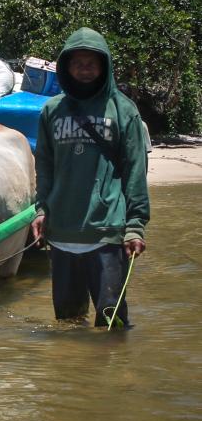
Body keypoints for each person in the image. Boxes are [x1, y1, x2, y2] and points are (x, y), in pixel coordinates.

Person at [31, 27, 150, 328]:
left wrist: (135, 227)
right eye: (77, 62)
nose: (85, 68)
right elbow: (44, 165)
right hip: (62, 232)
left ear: (104, 66)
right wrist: (41, 209)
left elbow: (136, 169)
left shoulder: (124, 110)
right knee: (68, 322)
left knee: (113, 323)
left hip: (107, 229)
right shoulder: (51, 110)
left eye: (92, 62)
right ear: (66, 67)